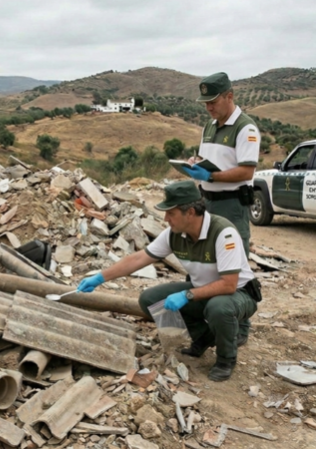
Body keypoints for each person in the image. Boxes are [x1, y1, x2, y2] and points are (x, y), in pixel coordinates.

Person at [77, 181, 260, 381]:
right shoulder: (174, 234)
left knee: (219, 308)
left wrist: (187, 294)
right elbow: (139, 258)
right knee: (150, 299)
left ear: (190, 212)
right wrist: (100, 277)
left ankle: (226, 359)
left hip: (237, 294)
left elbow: (229, 284)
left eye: (170, 213)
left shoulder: (223, 233)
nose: (165, 219)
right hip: (203, 291)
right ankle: (204, 336)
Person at [182, 72, 261, 346]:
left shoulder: (245, 128)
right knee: (207, 257)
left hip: (232, 203)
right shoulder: (210, 126)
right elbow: (211, 159)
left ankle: (240, 326)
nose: (209, 107)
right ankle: (207, 317)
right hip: (208, 201)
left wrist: (212, 177)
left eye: (213, 101)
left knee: (234, 262)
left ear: (230, 96)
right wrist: (197, 164)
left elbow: (246, 170)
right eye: (205, 103)